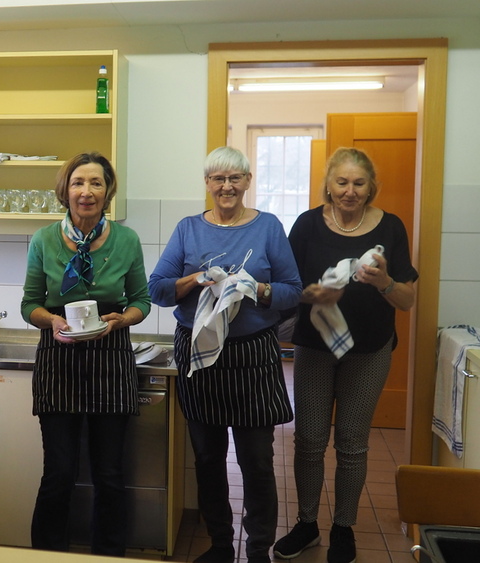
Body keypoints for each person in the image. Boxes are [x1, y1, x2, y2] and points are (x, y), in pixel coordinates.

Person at [148, 146, 302, 563]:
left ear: (248, 181)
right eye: (218, 178)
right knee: (208, 458)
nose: (227, 186)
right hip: (200, 358)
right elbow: (158, 289)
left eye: (235, 178)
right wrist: (197, 278)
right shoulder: (188, 229)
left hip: (253, 358)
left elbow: (292, 291)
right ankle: (219, 545)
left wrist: (257, 288)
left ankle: (257, 550)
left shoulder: (268, 227)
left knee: (257, 461)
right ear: (207, 183)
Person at [274, 147, 417, 563]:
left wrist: (384, 281)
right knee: (309, 441)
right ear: (329, 185)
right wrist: (312, 294)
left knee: (352, 443)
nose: (349, 191)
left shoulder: (391, 227)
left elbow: (407, 300)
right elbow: (287, 288)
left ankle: (343, 528)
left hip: (369, 352)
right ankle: (306, 524)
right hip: (315, 347)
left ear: (371, 187)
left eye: (358, 183)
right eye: (342, 182)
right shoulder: (307, 225)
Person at [21, 152, 150, 556]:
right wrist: (52, 321)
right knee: (58, 473)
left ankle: (108, 555)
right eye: (78, 182)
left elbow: (142, 301)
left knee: (109, 474)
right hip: (58, 357)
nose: (87, 191)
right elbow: (29, 304)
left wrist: (122, 320)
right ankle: (49, 555)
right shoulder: (43, 239)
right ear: (66, 189)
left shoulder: (126, 240)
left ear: (108, 191)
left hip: (110, 353)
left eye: (96, 183)